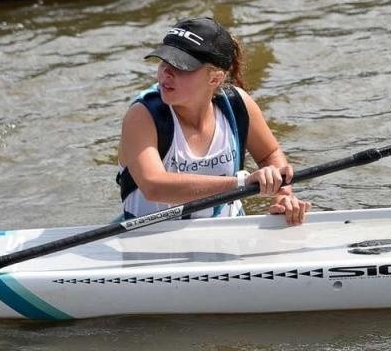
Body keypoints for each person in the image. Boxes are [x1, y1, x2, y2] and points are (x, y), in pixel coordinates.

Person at [117, 15, 311, 224]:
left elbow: (270, 154)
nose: (166, 72)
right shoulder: (142, 115)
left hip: (227, 233)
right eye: (164, 60)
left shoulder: (239, 105)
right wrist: (242, 182)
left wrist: (283, 194)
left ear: (215, 78)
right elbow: (154, 186)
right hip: (152, 239)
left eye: (181, 66)